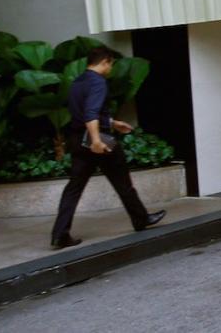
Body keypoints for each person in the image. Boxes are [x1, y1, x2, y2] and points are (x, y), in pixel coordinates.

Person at [50, 47, 165, 249]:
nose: (110, 69)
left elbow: (84, 111)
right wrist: (96, 140)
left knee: (73, 188)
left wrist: (113, 123)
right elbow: (91, 113)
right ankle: (141, 219)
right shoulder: (98, 82)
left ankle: (60, 234)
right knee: (123, 182)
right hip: (98, 141)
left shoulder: (77, 82)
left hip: (77, 140)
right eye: (111, 64)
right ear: (105, 62)